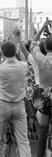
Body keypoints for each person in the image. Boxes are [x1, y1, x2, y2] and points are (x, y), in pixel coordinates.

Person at [0, 41, 31, 157]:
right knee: (23, 141)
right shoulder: (23, 66)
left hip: (2, 105)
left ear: (3, 52)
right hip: (19, 105)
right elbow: (27, 64)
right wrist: (20, 53)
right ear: (15, 52)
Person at [30, 20, 52, 157]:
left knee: (42, 130)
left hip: (43, 96)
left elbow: (32, 43)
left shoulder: (41, 59)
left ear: (45, 46)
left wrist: (43, 27)